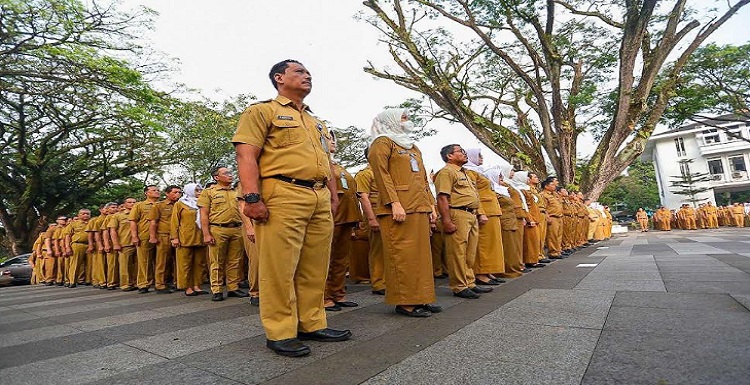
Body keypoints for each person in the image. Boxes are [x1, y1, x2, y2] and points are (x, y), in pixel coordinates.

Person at [233, 59, 350, 357]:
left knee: (314, 264)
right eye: (299, 71)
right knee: (279, 267)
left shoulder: (316, 121)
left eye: (309, 72)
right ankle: (281, 331)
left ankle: (311, 323)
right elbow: (247, 156)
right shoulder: (262, 111)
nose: (307, 75)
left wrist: (333, 195)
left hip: (319, 195)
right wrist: (251, 198)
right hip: (282, 192)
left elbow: (327, 162)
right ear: (279, 78)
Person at [368, 108, 440, 317]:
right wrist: (394, 203)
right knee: (403, 255)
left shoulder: (412, 146)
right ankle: (406, 302)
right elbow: (382, 176)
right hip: (399, 208)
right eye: (403, 117)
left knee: (421, 257)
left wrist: (431, 206)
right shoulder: (382, 143)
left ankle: (422, 297)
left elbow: (424, 179)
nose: (407, 121)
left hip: (419, 206)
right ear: (390, 121)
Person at [434, 145, 491, 299]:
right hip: (457, 214)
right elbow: (442, 197)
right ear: (449, 156)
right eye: (460, 151)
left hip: (470, 215)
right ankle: (459, 286)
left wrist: (479, 214)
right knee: (457, 252)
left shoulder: (466, 173)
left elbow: (474, 196)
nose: (465, 154)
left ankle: (469, 282)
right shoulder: (446, 172)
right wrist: (446, 220)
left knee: (470, 253)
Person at [198, 167, 247, 301]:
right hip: (218, 229)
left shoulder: (236, 191)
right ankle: (217, 289)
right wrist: (206, 234)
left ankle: (233, 287)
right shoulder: (209, 192)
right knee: (217, 261)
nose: (230, 175)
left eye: (230, 173)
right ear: (216, 177)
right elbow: (204, 214)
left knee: (235, 261)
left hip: (237, 228)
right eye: (226, 173)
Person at [324, 131, 360, 311]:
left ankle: (338, 293)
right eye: (329, 139)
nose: (333, 142)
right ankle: (324, 296)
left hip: (347, 217)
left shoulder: (339, 166)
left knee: (341, 259)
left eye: (333, 139)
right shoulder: (320, 162)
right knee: (325, 259)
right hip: (331, 216)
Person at [463, 148, 505, 285]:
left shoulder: (479, 171)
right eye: (478, 155)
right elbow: (474, 192)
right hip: (485, 210)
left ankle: (488, 271)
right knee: (483, 244)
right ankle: (481, 273)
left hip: (492, 210)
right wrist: (480, 212)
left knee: (492, 244)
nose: (481, 158)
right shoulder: (469, 171)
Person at [355, 149, 386, 295]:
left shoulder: (384, 173)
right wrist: (372, 219)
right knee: (378, 250)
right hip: (375, 214)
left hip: (387, 214)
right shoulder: (365, 174)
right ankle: (379, 283)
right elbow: (363, 197)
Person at [171, 183, 208, 296]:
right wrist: (174, 237)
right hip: (185, 237)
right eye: (196, 190)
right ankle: (187, 287)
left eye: (200, 190)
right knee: (185, 264)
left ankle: (197, 285)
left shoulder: (203, 203)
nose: (199, 192)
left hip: (201, 236)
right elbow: (174, 221)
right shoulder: (180, 204)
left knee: (199, 263)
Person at [149, 185, 182, 294]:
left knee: (177, 261)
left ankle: (177, 282)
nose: (177, 194)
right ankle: (160, 285)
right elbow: (153, 222)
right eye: (175, 192)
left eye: (179, 192)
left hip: (179, 235)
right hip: (164, 235)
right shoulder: (159, 206)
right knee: (162, 261)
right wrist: (153, 237)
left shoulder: (182, 204)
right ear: (167, 193)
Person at [130, 185, 161, 293]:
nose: (157, 192)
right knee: (144, 261)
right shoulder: (140, 205)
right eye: (153, 190)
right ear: (146, 193)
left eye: (158, 190)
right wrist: (134, 236)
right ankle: (143, 284)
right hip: (144, 235)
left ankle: (160, 283)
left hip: (161, 235)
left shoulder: (162, 204)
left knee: (160, 261)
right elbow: (133, 221)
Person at [511, 171, 545, 268]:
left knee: (535, 240)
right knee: (530, 241)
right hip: (530, 217)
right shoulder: (521, 189)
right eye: (526, 177)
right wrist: (529, 218)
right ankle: (530, 260)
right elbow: (525, 206)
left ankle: (534, 259)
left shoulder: (526, 189)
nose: (528, 179)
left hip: (535, 216)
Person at [109, 198, 138, 291]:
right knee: (125, 266)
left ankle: (137, 283)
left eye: (134, 202)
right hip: (125, 243)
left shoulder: (139, 214)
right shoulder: (118, 215)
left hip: (139, 243)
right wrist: (116, 244)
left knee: (138, 265)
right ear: (124, 204)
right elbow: (112, 230)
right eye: (129, 202)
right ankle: (125, 284)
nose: (132, 204)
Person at [63, 209, 91, 287]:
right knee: (75, 264)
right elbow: (67, 236)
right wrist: (67, 247)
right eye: (83, 214)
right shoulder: (73, 224)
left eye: (87, 214)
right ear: (78, 215)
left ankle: (88, 280)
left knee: (90, 264)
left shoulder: (92, 223)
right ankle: (72, 281)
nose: (85, 215)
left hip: (90, 244)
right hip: (77, 244)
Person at [541, 176, 564, 259]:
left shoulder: (554, 194)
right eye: (552, 185)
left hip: (559, 217)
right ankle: (553, 253)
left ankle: (558, 251)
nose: (554, 186)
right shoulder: (543, 195)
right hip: (552, 217)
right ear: (546, 186)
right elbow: (544, 207)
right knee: (552, 236)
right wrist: (547, 217)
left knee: (558, 236)